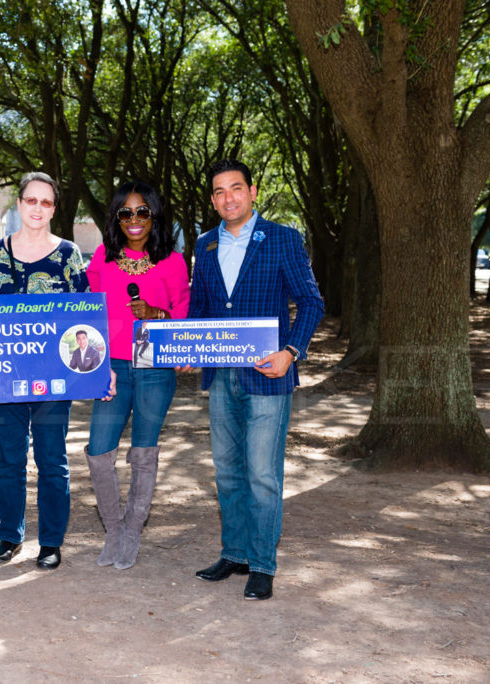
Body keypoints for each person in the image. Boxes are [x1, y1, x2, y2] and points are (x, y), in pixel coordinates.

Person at [189, 159, 323, 600]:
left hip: (268, 375)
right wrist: (187, 349)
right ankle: (235, 553)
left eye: (236, 188)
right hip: (220, 375)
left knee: (262, 474)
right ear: (212, 199)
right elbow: (200, 311)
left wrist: (291, 352)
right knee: (227, 472)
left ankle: (263, 564)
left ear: (252, 191)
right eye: (219, 192)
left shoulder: (283, 238)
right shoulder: (205, 245)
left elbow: (311, 302)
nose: (228, 198)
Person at [0, 171, 88, 570]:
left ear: (54, 208)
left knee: (52, 461)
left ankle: (50, 542)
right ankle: (10, 536)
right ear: (18, 204)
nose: (37, 208)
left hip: (53, 378)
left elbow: (85, 315)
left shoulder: (69, 254)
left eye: (46, 202)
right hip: (3, 378)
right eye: (30, 200)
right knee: (8, 461)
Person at [84, 181, 190, 569]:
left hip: (154, 367)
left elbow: (182, 312)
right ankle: (113, 529)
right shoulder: (101, 259)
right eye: (125, 212)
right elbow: (87, 313)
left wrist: (157, 314)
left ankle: (132, 531)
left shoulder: (173, 262)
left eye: (142, 211)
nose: (134, 220)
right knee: (99, 452)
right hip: (111, 368)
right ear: (115, 218)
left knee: (144, 452)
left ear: (154, 216)